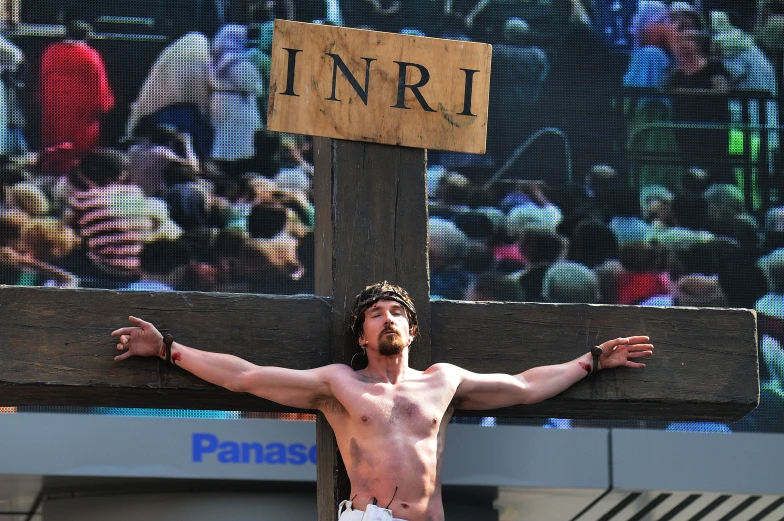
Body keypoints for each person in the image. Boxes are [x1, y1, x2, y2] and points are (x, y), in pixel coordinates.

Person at [113, 281, 654, 521]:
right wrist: (168, 350)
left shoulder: (445, 380)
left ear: (412, 331)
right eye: (376, 314)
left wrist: (590, 361)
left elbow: (526, 386)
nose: (388, 318)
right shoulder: (337, 384)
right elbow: (246, 376)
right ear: (362, 337)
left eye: (397, 312)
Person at [39, 20, 114, 175]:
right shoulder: (90, 55)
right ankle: (78, 176)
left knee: (55, 142)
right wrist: (104, 105)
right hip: (81, 110)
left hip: (55, 106)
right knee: (78, 147)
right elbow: (99, 85)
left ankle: (51, 173)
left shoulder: (51, 51)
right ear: (86, 37)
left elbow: (43, 78)